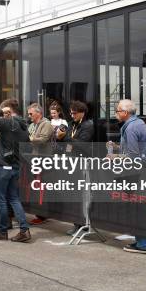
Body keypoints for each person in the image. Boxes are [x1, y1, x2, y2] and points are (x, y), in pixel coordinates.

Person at [107, 99, 146, 254]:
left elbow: (133, 156)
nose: (116, 114)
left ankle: (142, 244)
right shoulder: (138, 124)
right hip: (143, 171)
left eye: (118, 111)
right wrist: (117, 147)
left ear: (125, 113)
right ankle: (144, 241)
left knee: (136, 208)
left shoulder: (131, 128)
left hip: (135, 173)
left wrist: (114, 157)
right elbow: (133, 150)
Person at [0, 98, 32, 243]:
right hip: (16, 166)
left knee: (1, 199)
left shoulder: (8, 122)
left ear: (8, 110)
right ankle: (24, 230)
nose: (1, 114)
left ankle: (2, 230)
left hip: (4, 166)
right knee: (14, 198)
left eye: (3, 111)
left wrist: (0, 111)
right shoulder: (24, 125)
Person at [63, 100, 94, 236]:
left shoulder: (88, 125)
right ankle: (77, 223)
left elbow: (83, 144)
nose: (72, 115)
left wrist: (66, 138)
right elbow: (70, 142)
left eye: (74, 113)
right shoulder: (71, 125)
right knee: (73, 195)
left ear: (82, 113)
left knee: (82, 195)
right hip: (72, 161)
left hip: (83, 163)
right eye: (70, 113)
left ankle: (84, 224)